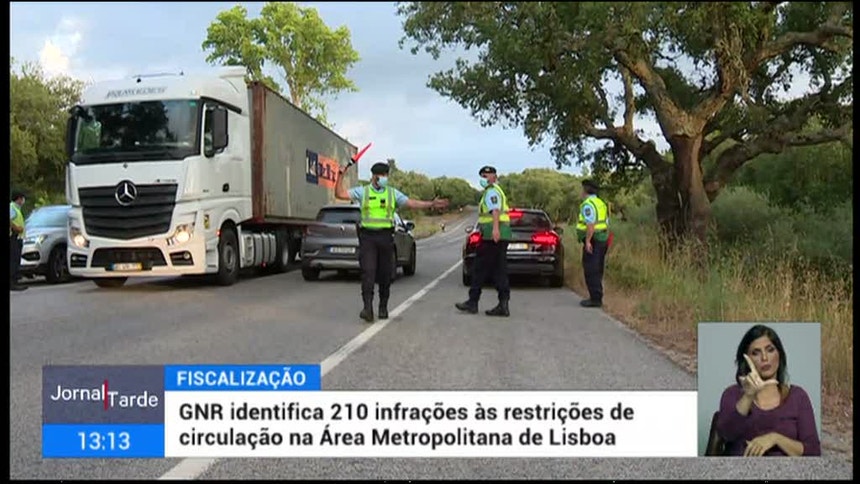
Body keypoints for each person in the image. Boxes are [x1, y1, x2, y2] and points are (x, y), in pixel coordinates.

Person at [335, 161, 448, 322]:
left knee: (385, 274)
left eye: (386, 175)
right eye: (382, 175)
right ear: (374, 177)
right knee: (368, 273)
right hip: (368, 238)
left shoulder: (392, 193)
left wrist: (430, 204)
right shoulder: (363, 192)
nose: (385, 178)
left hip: (386, 237)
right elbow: (339, 194)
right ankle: (368, 308)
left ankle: (383, 307)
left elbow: (411, 203)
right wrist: (340, 175)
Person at [715, 324, 821, 457]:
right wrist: (748, 395)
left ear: (779, 355)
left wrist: (775, 439)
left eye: (770, 350)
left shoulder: (798, 396)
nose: (764, 358)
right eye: (756, 353)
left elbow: (813, 452)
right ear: (746, 360)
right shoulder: (732, 394)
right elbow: (726, 435)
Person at [455, 165, 511, 317]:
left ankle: (473, 302)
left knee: (480, 268)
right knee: (498, 269)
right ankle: (502, 304)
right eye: (482, 176)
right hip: (498, 235)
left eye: (487, 176)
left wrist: (495, 229)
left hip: (492, 236)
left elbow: (495, 211)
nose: (484, 179)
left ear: (494, 177)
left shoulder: (492, 191)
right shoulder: (494, 190)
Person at [575, 179, 609, 308]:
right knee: (598, 268)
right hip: (602, 238)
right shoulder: (601, 203)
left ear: (585, 190)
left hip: (593, 239)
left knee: (591, 268)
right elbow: (606, 221)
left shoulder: (588, 204)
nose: (581, 192)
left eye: (582, 189)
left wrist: (588, 241)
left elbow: (590, 224)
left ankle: (595, 298)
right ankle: (597, 295)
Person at [10, 191, 28, 291]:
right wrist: (16, 228)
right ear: (19, 199)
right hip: (13, 237)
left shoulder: (16, 208)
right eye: (22, 198)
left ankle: (15, 281)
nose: (23, 201)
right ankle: (12, 283)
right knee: (13, 261)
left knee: (16, 260)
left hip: (17, 238)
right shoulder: (12, 207)